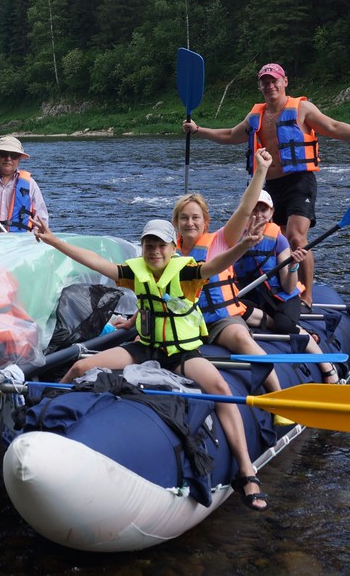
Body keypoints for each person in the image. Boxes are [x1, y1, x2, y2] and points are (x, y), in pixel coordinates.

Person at [33, 216, 270, 511]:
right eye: (148, 245)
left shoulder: (187, 273)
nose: (154, 251)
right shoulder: (136, 273)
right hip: (145, 348)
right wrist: (53, 239)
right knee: (81, 367)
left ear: (172, 248)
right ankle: (41, 414)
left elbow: (216, 265)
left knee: (220, 387)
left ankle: (247, 471)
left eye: (160, 245)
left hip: (180, 354)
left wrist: (245, 243)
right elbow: (94, 262)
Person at [182, 63, 350, 307]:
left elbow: (333, 127)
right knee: (270, 239)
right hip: (271, 186)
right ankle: (273, 286)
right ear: (260, 86)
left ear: (285, 81)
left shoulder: (302, 108)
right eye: (265, 82)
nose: (270, 85)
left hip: (300, 182)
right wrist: (199, 130)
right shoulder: (256, 115)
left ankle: (306, 294)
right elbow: (231, 135)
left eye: (274, 80)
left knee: (296, 238)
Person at [172, 148, 283, 396]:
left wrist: (261, 171)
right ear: (175, 223)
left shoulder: (220, 241)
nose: (190, 223)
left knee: (243, 339)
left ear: (206, 222)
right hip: (187, 324)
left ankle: (277, 395)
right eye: (184, 218)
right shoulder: (167, 253)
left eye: (195, 218)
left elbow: (245, 210)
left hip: (221, 321)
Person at [233, 190, 339, 384]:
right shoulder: (234, 238)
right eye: (253, 209)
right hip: (252, 297)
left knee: (284, 325)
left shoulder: (278, 240)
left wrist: (292, 266)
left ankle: (325, 364)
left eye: (263, 209)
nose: (258, 214)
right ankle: (270, 321)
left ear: (271, 213)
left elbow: (289, 288)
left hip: (280, 297)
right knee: (234, 310)